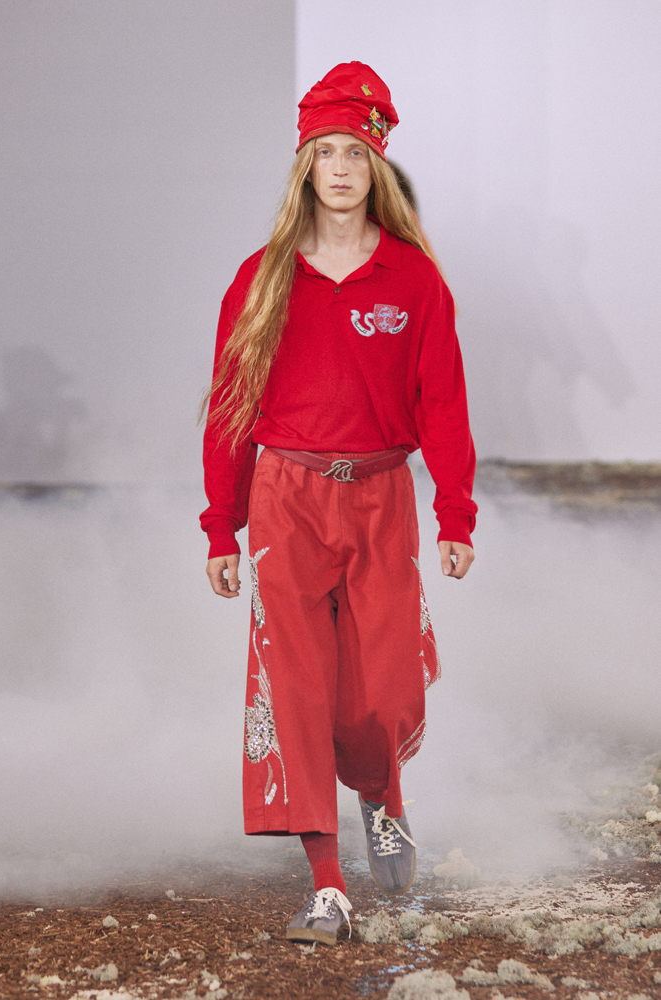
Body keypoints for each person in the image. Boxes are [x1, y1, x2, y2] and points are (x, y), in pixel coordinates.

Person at [200, 61, 477, 946]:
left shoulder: (413, 280)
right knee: (297, 691)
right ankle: (327, 887)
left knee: (379, 696)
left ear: (377, 164)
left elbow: (443, 403)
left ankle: (382, 796)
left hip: (381, 496)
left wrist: (456, 513)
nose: (341, 168)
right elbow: (231, 406)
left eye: (355, 151)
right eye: (325, 151)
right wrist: (221, 524)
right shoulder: (261, 278)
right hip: (286, 497)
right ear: (305, 167)